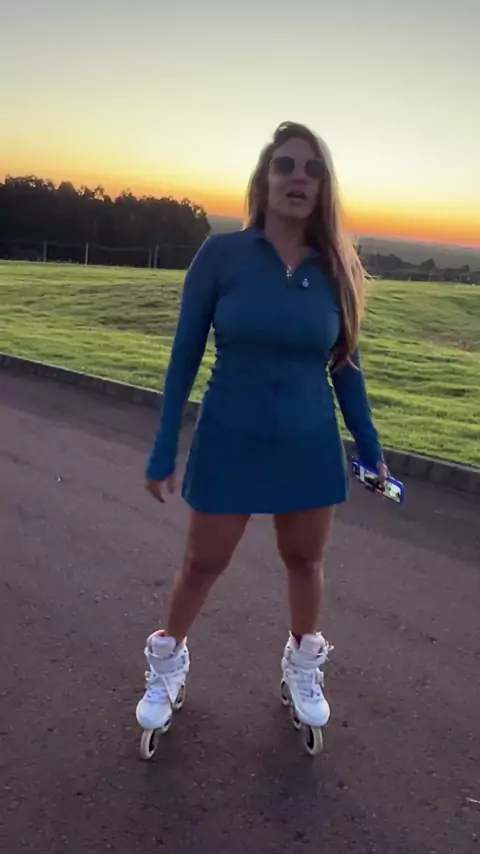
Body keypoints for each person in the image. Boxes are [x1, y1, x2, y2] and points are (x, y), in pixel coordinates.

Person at [136, 120, 388, 744]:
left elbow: (346, 368)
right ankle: (168, 664)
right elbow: (183, 358)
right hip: (230, 437)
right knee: (201, 564)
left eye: (313, 170)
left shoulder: (336, 269)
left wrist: (371, 449)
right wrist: (164, 446)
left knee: (305, 561)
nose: (298, 179)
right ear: (264, 179)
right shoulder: (221, 256)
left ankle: (301, 667)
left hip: (309, 442)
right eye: (285, 165)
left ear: (324, 188)